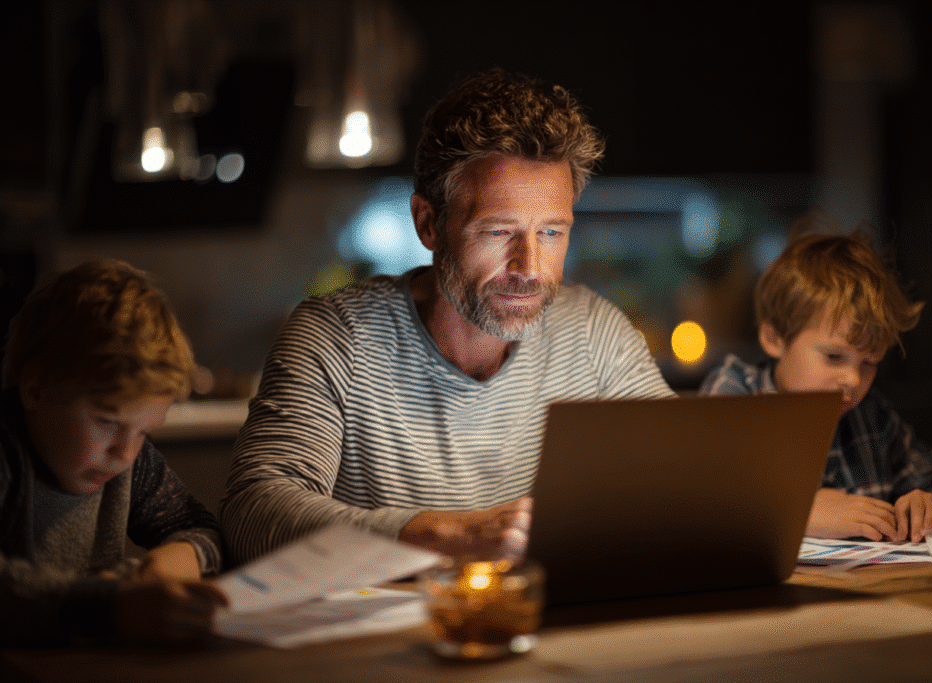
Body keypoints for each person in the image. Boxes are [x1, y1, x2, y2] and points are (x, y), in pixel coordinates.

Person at [220, 68, 675, 566]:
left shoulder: (593, 333)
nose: (529, 269)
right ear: (428, 223)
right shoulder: (337, 337)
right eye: (499, 232)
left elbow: (687, 476)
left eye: (551, 233)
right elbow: (252, 513)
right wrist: (451, 534)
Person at [699, 225, 932, 543]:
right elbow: (701, 500)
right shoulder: (734, 393)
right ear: (774, 338)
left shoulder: (870, 414)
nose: (854, 379)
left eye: (869, 362)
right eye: (833, 356)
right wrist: (800, 513)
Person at [0, 260, 227, 645]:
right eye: (106, 421)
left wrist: (183, 553)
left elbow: (200, 527)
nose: (125, 453)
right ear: (36, 389)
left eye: (144, 431)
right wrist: (108, 606)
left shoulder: (133, 466)